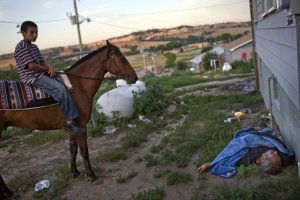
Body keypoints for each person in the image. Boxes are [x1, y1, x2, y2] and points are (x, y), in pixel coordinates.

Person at [14, 21, 85, 134]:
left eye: (36, 32)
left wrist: (50, 68)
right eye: (31, 32)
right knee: (60, 90)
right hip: (32, 77)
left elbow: (41, 61)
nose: (35, 35)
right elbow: (31, 66)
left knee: (66, 80)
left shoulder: (34, 47)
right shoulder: (21, 47)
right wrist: (47, 70)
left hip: (40, 73)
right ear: (23, 33)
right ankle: (69, 122)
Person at [197, 127, 295, 177]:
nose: (276, 152)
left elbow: (230, 154)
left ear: (263, 159)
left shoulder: (245, 159)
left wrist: (211, 163)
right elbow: (287, 156)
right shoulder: (278, 156)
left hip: (246, 140)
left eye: (272, 154)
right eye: (276, 154)